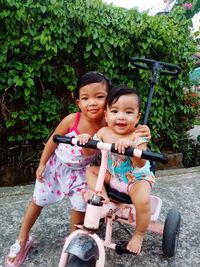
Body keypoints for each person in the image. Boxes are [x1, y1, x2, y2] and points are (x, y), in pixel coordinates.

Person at [5, 73, 151, 267]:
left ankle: (75, 237)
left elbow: (133, 145)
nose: (92, 103)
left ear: (108, 102)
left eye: (99, 97)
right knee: (37, 201)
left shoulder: (115, 124)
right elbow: (58, 142)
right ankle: (22, 239)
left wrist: (139, 136)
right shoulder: (81, 122)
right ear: (79, 102)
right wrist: (43, 163)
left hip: (101, 174)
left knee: (81, 207)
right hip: (57, 169)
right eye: (85, 98)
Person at [79, 85, 155, 255]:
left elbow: (140, 164)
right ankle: (103, 198)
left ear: (137, 116)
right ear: (106, 114)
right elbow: (88, 152)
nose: (121, 117)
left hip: (136, 180)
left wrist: (133, 146)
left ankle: (139, 234)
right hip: (115, 177)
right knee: (91, 170)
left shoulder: (138, 135)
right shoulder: (104, 131)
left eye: (128, 112)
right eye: (114, 111)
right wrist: (86, 140)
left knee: (142, 200)